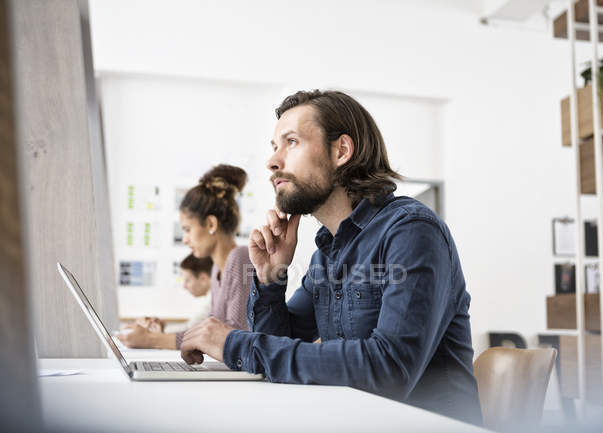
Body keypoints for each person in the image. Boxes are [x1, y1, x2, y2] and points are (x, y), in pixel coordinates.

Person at [179, 90, 482, 425]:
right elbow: (284, 344)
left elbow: (390, 369)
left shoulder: (411, 231)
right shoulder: (328, 253)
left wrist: (237, 346)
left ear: (341, 151)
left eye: (291, 142)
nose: (273, 161)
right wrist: (269, 278)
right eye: (274, 147)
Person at [119, 165, 252, 350]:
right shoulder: (216, 270)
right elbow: (206, 332)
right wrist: (159, 334)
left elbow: (233, 337)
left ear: (211, 224)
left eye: (188, 229)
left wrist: (152, 340)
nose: (185, 239)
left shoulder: (240, 258)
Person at [130, 254, 214, 336]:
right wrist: (161, 328)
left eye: (187, 280)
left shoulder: (213, 299)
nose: (184, 286)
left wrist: (156, 329)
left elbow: (189, 330)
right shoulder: (211, 296)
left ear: (203, 279)